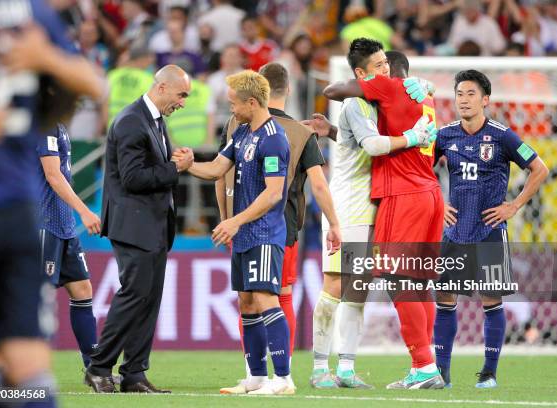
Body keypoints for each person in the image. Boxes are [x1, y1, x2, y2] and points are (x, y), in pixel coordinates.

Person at [0, 0, 103, 405]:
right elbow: (94, 85)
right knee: (24, 361)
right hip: (21, 210)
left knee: (21, 360)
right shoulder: (32, 14)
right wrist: (48, 56)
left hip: (15, 210)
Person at [305, 38, 437, 390]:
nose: (386, 70)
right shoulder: (354, 104)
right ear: (361, 73)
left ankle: (346, 368)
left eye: (386, 63)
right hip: (348, 208)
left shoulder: (379, 102)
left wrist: (424, 86)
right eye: (378, 65)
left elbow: (359, 147)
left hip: (377, 206)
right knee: (336, 284)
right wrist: (413, 136)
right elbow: (375, 146)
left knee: (359, 289)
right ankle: (320, 368)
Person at [217, 62, 342, 394]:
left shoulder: (236, 124)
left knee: (251, 298)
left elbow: (221, 175)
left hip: (239, 221)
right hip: (282, 225)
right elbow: (319, 185)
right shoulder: (301, 133)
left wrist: (225, 217)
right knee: (279, 295)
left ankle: (262, 373)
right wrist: (334, 222)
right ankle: (276, 375)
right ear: (286, 90)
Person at [177, 70, 292, 395]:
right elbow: (216, 168)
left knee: (265, 298)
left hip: (264, 233)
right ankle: (256, 377)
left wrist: (234, 221)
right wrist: (189, 165)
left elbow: (272, 193)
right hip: (244, 235)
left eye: (233, 104)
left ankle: (282, 379)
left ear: (252, 102)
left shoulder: (273, 138)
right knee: (246, 301)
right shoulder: (242, 133)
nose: (231, 109)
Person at [433, 70, 549, 389]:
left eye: (471, 94)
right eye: (459, 94)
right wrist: (438, 205)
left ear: (485, 100)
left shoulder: (503, 136)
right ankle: (441, 372)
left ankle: (488, 373)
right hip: (455, 230)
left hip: (489, 231)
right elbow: (419, 172)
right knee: (444, 298)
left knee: (491, 300)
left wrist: (514, 206)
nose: (464, 100)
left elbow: (540, 169)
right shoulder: (444, 136)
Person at [84, 65, 194, 393]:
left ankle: (133, 373)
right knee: (134, 295)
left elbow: (150, 168)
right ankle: (99, 367)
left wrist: (174, 162)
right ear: (162, 88)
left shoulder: (154, 120)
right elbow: (134, 179)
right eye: (181, 94)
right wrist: (175, 168)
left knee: (148, 299)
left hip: (153, 225)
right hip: (134, 224)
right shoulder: (132, 121)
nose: (183, 102)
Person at [37, 122, 101, 370]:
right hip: (44, 223)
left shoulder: (59, 126)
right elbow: (53, 175)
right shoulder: (46, 125)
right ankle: (24, 369)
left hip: (64, 226)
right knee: (37, 298)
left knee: (83, 290)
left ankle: (94, 368)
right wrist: (84, 211)